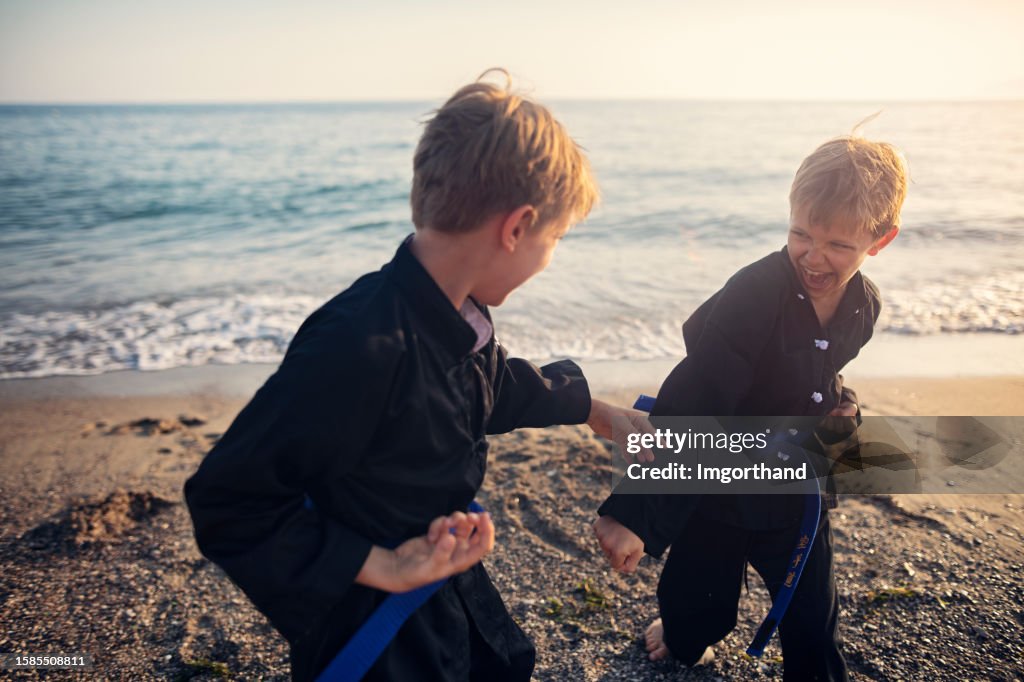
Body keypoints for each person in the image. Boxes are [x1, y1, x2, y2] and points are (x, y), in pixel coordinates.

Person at [185, 69, 634, 681]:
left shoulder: (455, 316)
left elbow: (490, 386)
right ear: (517, 227)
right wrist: (382, 565)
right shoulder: (358, 345)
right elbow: (229, 500)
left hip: (445, 588)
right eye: (553, 238)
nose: (548, 258)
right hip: (373, 624)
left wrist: (592, 410)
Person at [594, 135, 908, 681]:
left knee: (813, 622)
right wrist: (634, 512)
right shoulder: (752, 296)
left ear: (879, 240)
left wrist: (844, 407)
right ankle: (684, 632)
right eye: (799, 234)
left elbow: (825, 373)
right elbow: (698, 400)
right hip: (719, 483)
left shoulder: (863, 304)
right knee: (698, 608)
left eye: (837, 245)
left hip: (794, 489)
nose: (813, 255)